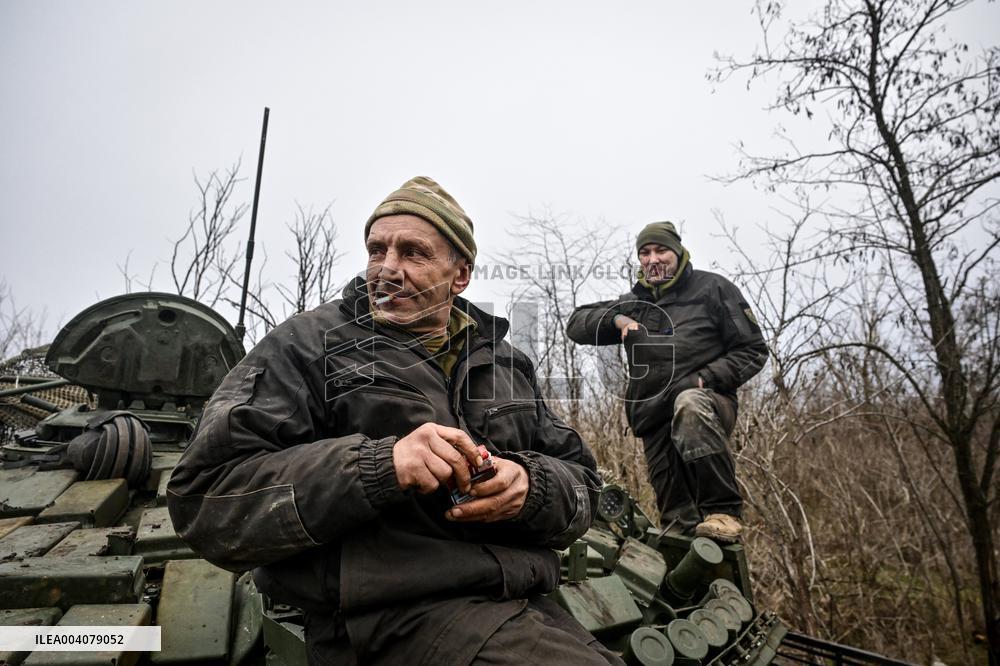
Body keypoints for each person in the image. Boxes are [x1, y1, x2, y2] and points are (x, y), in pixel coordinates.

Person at [167, 176, 617, 665]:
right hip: (383, 615)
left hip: (519, 599)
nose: (388, 269)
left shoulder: (503, 363)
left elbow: (585, 488)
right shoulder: (308, 344)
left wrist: (532, 488)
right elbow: (206, 498)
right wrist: (381, 464)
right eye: (377, 250)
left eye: (413, 253)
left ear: (460, 275)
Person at [566, 221, 766, 542]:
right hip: (654, 419)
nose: (653, 259)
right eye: (645, 253)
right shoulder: (636, 303)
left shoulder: (713, 289)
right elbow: (576, 323)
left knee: (689, 404)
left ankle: (724, 511)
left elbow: (753, 350)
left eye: (661, 250)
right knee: (677, 526)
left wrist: (706, 379)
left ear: (678, 253)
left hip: (706, 405)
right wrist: (618, 318)